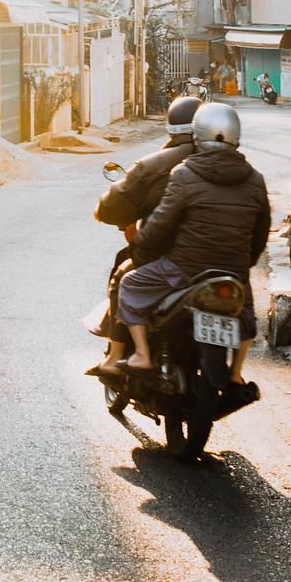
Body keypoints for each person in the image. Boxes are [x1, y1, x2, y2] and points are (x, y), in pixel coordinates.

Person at [112, 101, 271, 386]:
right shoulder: (256, 179)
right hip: (233, 274)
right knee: (245, 316)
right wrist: (242, 266)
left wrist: (140, 252)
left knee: (129, 284)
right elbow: (260, 235)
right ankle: (235, 374)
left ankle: (143, 355)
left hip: (183, 270)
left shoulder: (184, 174)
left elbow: (160, 224)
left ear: (197, 136)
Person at [88, 96, 198, 380]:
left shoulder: (161, 164)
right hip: (225, 261)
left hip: (173, 259)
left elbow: (117, 205)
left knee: (123, 279)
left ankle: (116, 356)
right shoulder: (235, 164)